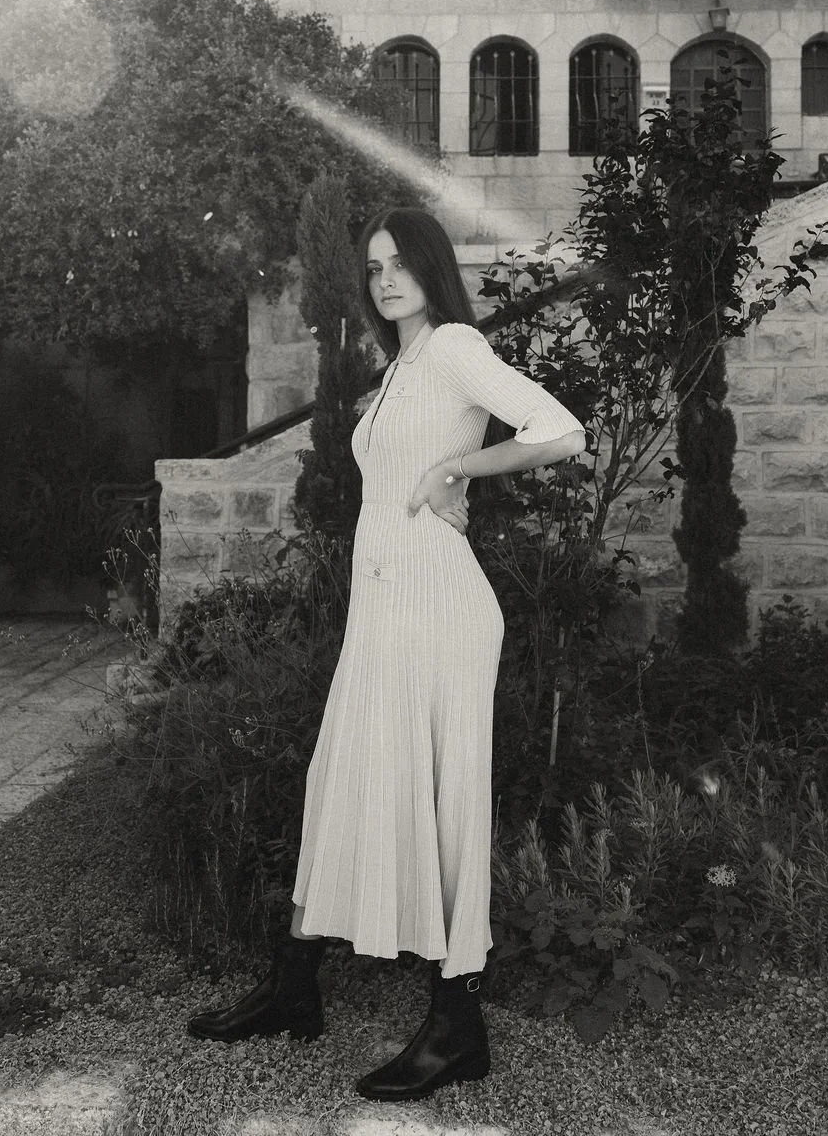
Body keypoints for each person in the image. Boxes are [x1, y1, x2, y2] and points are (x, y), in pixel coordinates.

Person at [188, 207, 587, 1102]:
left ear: (433, 270)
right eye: (374, 267)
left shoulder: (449, 346)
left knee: (442, 803)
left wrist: (460, 472)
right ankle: (294, 985)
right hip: (387, 608)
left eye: (401, 264)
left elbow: (562, 431)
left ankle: (457, 1028)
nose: (385, 279)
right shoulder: (403, 362)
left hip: (438, 608)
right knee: (340, 778)